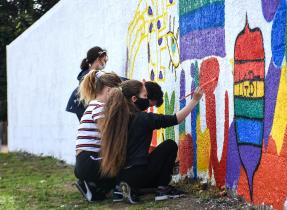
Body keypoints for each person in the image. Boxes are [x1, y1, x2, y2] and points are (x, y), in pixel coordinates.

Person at [98, 80, 204, 203]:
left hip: (119, 177)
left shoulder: (115, 118)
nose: (147, 100)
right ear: (134, 99)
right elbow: (176, 119)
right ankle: (162, 189)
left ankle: (122, 189)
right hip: (138, 175)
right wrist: (195, 100)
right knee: (169, 145)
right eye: (145, 96)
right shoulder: (143, 118)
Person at [74, 70, 122, 202]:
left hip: (85, 161)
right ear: (108, 90)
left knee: (103, 193)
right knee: (122, 162)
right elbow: (108, 134)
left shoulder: (94, 105)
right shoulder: (99, 107)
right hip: (89, 161)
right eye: (118, 92)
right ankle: (91, 183)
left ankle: (92, 186)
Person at [66, 46, 108, 121]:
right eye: (103, 60)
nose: (104, 63)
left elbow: (111, 79)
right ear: (97, 59)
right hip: (81, 105)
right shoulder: (88, 76)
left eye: (106, 60)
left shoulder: (97, 74)